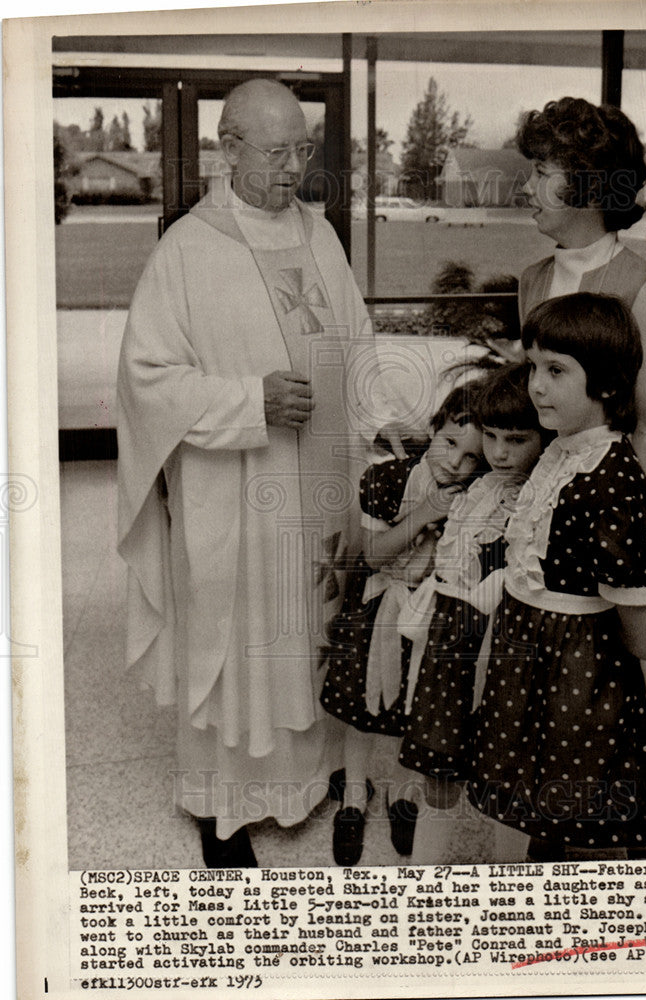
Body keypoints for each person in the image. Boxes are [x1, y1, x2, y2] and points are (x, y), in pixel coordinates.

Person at [116, 79, 384, 868]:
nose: (294, 168)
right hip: (234, 490)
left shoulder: (320, 235)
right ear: (227, 147)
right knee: (240, 637)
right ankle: (225, 806)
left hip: (323, 483)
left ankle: (318, 773)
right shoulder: (188, 250)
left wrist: (382, 427)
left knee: (317, 626)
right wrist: (248, 399)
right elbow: (146, 378)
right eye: (277, 152)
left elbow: (359, 340)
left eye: (304, 150)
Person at [467, 293, 646, 860]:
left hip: (580, 671)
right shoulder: (562, 452)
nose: (535, 385)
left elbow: (642, 627)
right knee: (547, 792)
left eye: (556, 371)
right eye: (534, 366)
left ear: (606, 384)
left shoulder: (611, 478)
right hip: (537, 658)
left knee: (585, 796)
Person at [319, 384, 485, 866]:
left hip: (434, 613)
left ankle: (403, 796)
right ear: (433, 430)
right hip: (377, 606)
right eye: (451, 443)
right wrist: (426, 515)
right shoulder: (387, 480)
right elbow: (374, 554)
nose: (456, 463)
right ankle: (353, 794)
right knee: (360, 706)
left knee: (417, 706)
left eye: (472, 457)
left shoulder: (477, 497)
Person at [396, 364, 544, 863]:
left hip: (504, 649)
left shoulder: (537, 500)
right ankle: (424, 873)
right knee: (438, 768)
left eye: (516, 440)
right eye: (493, 437)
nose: (499, 452)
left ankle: (509, 879)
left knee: (507, 773)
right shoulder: (476, 489)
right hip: (450, 641)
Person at [515, 96, 646, 536]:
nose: (526, 187)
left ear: (588, 186)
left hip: (607, 509)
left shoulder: (644, 290)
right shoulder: (532, 280)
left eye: (542, 174)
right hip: (541, 501)